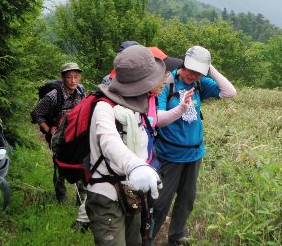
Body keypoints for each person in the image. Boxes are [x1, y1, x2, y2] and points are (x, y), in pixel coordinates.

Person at [151, 46, 237, 245]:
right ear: (183, 63)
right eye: (190, 69)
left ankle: (176, 236)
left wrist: (208, 67)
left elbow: (229, 92)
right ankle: (148, 237)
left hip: (194, 153)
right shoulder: (167, 82)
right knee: (162, 201)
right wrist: (181, 109)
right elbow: (159, 118)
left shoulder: (200, 83)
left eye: (198, 71)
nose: (192, 75)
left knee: (187, 199)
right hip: (169, 155)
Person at [85, 45, 166, 246]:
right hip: (107, 195)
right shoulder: (104, 107)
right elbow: (109, 141)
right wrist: (135, 166)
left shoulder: (139, 105)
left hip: (132, 193)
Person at [30, 62, 89, 228]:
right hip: (58, 137)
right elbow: (36, 113)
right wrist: (49, 131)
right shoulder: (53, 96)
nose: (73, 80)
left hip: (75, 135)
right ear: (63, 78)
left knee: (80, 165)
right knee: (60, 166)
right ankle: (61, 200)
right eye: (69, 76)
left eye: (76, 76)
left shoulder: (81, 91)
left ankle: (81, 200)